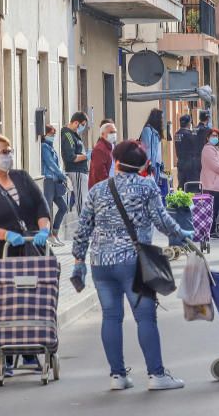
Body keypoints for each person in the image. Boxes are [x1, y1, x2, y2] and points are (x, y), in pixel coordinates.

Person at [70, 140, 193, 391]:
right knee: (145, 317)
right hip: (134, 263)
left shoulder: (98, 190)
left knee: (111, 317)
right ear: (144, 166)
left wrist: (78, 261)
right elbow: (161, 221)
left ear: (116, 162)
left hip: (101, 264)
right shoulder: (147, 187)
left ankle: (117, 376)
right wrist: (183, 234)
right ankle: (156, 375)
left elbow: (83, 228)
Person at [0, 134, 51, 375]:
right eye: (3, 152)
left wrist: (44, 229)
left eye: (9, 150)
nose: (8, 156)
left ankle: (29, 351)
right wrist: (4, 235)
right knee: (3, 302)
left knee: (30, 298)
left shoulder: (22, 178)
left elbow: (40, 204)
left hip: (26, 248)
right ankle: (6, 353)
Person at [40, 124, 69, 247]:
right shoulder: (44, 147)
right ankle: (48, 236)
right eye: (51, 134)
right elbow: (51, 164)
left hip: (55, 181)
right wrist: (61, 174)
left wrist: (61, 175)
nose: (53, 136)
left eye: (54, 134)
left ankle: (55, 233)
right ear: (45, 134)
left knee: (63, 207)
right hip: (49, 180)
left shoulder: (51, 147)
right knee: (48, 209)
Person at [61, 112, 90, 212]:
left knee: (84, 200)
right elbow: (71, 157)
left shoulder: (74, 135)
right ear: (76, 122)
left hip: (81, 171)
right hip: (76, 171)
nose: (83, 127)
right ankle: (83, 225)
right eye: (82, 125)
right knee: (81, 202)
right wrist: (86, 156)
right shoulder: (68, 135)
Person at [139, 108, 165, 186]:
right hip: (151, 165)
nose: (162, 121)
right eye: (161, 118)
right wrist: (148, 164)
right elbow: (147, 149)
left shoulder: (156, 132)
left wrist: (161, 162)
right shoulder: (147, 130)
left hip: (157, 164)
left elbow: (157, 150)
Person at [174, 115, 200, 190]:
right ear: (189, 123)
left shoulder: (177, 134)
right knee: (191, 187)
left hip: (181, 163)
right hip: (190, 165)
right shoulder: (190, 134)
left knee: (182, 185)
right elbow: (196, 146)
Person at [91, 120, 117, 188]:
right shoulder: (99, 149)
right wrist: (109, 185)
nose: (114, 134)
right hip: (102, 188)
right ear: (102, 134)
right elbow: (100, 171)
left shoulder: (110, 147)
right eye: (111, 132)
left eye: (115, 132)